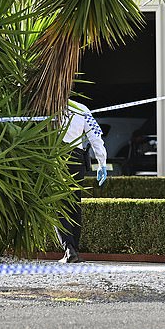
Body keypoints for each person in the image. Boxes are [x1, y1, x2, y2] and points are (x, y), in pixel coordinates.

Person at [56, 100, 108, 263]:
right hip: (77, 159)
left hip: (56, 157)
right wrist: (102, 163)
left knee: (57, 204)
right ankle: (74, 250)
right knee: (74, 203)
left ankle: (68, 249)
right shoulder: (81, 108)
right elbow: (95, 135)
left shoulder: (50, 104)